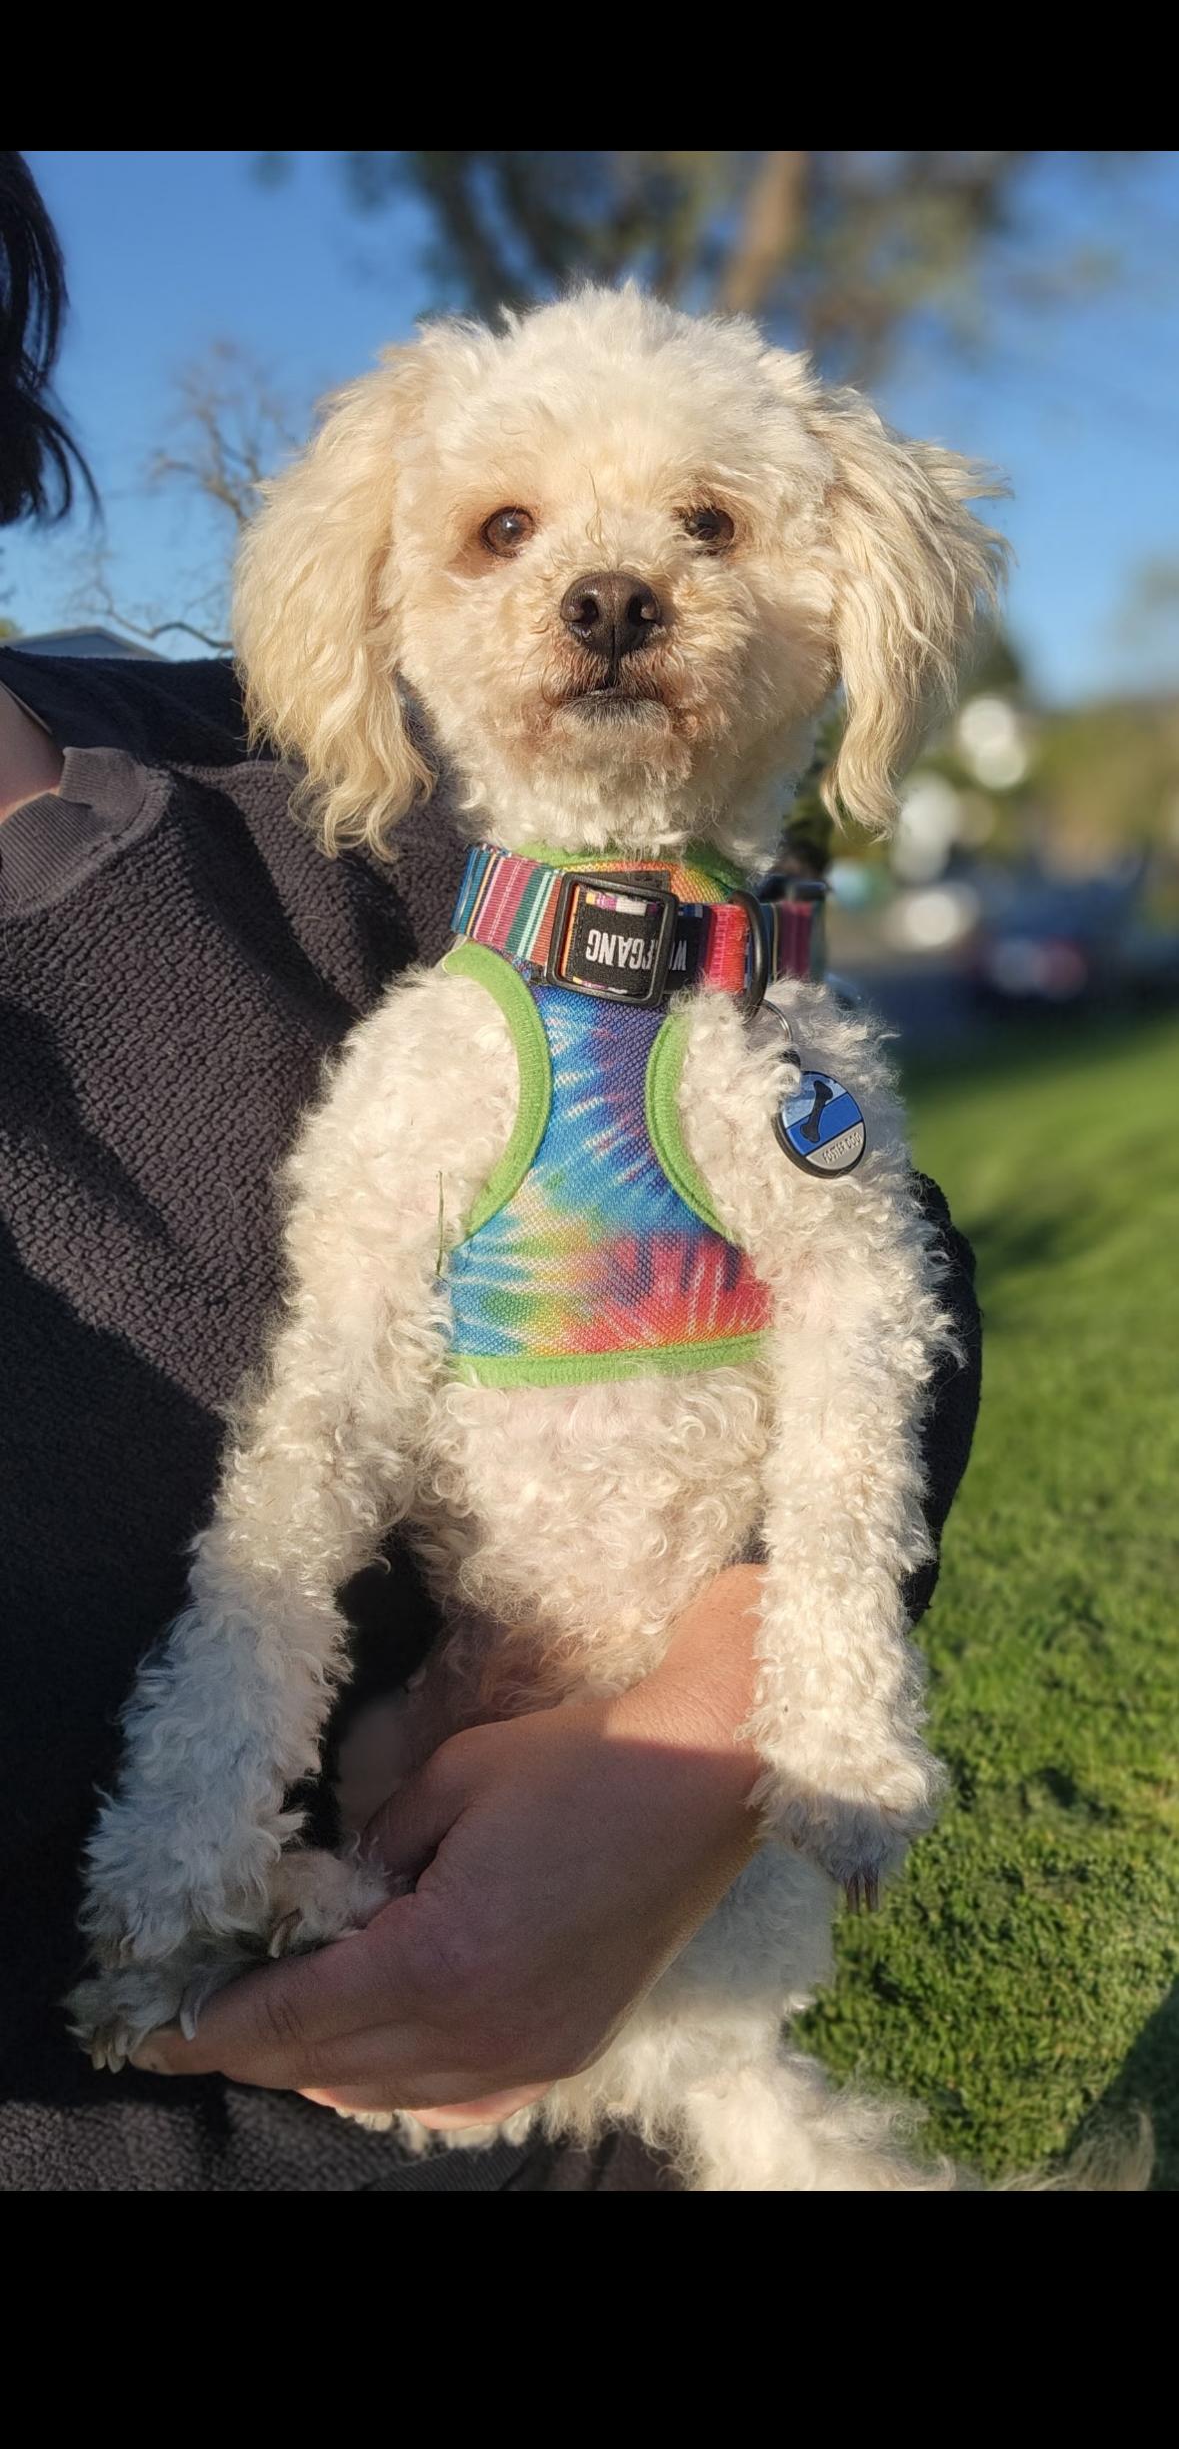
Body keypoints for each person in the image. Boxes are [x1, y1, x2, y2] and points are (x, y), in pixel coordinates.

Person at [0, 154, 981, 2191]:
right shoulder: (434, 1005)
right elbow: (323, 1431)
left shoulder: (292, 803)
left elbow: (893, 1287)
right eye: (509, 532)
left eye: (707, 527)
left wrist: (730, 1718)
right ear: (389, 588)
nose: (607, 591)